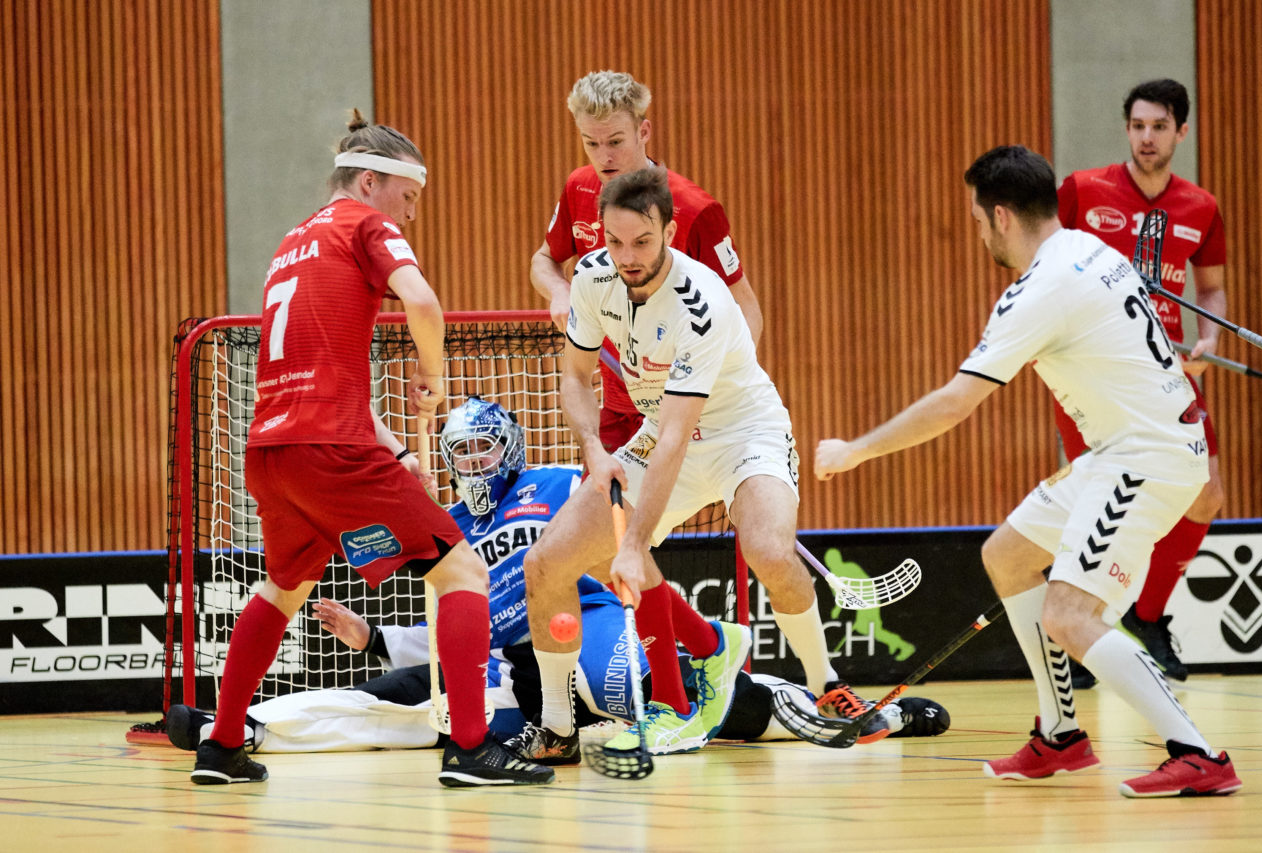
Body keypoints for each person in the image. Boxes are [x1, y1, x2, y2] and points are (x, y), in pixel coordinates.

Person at [165, 399, 952, 755]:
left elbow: (619, 521)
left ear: (507, 448)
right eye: (459, 456)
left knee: (729, 707)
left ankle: (867, 715)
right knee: (402, 706)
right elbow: (443, 637)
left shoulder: (553, 483)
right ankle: (240, 725)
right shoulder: (451, 533)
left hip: (599, 632)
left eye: (482, 451)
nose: (471, 466)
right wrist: (372, 634)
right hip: (521, 670)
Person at [813, 145, 1240, 797]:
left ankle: (1199, 751)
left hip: (1143, 459)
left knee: (1071, 613)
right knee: (1009, 555)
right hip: (1128, 448)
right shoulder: (1093, 249)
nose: (979, 232)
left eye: (979, 220)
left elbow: (956, 401)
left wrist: (856, 449)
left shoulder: (1040, 289)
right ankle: (1062, 735)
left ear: (1003, 216)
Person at [189, 113, 551, 788]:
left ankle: (222, 742)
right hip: (331, 451)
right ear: (368, 181)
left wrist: (391, 446)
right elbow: (422, 300)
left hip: (273, 451)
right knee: (462, 572)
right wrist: (434, 375)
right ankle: (471, 748)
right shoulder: (364, 223)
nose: (410, 216)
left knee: (284, 586)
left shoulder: (291, 242)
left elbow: (321, 376)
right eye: (409, 198)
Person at [508, 165, 870, 766]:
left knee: (770, 551)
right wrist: (595, 450)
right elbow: (574, 377)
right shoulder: (595, 279)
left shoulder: (702, 302)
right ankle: (555, 728)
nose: (628, 256)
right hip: (658, 431)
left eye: (643, 242)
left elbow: (680, 436)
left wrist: (636, 543)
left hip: (741, 431)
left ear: (670, 233)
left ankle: (827, 685)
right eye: (615, 241)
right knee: (548, 562)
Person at [528, 70, 776, 737]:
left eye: (614, 140)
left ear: (645, 130)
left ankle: (673, 693)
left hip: (680, 399)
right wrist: (558, 291)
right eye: (589, 142)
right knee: (612, 553)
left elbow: (746, 312)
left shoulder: (693, 208)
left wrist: (706, 397)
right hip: (615, 402)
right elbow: (544, 261)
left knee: (621, 550)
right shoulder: (581, 190)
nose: (602, 157)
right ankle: (705, 650)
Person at [1055, 79, 1227, 687]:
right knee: (1096, 500)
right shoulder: (1082, 190)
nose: (1146, 138)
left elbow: (1208, 290)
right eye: (1137, 126)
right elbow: (1041, 260)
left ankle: (1148, 619)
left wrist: (1209, 341)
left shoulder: (1201, 207)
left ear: (1181, 131)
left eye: (1158, 127)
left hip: (1170, 372)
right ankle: (1085, 633)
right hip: (1094, 372)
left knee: (1206, 495)